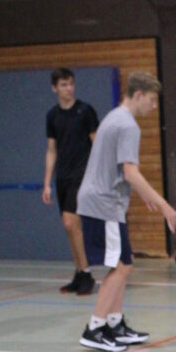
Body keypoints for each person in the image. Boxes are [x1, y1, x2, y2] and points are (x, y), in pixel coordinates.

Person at [77, 71, 176, 352]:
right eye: (152, 100)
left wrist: (143, 194)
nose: (154, 106)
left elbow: (120, 171)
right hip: (104, 203)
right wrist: (164, 205)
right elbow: (131, 172)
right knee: (121, 266)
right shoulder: (128, 126)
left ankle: (114, 323)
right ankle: (95, 328)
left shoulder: (113, 117)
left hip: (102, 201)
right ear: (138, 95)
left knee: (124, 262)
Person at [42, 68, 99, 296]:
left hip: (82, 174)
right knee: (69, 227)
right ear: (54, 88)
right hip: (63, 177)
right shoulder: (52, 116)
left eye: (71, 84)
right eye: (63, 85)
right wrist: (47, 183)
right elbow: (51, 150)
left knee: (70, 222)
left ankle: (87, 273)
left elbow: (97, 143)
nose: (68, 89)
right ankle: (79, 272)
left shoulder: (85, 111)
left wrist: (98, 174)